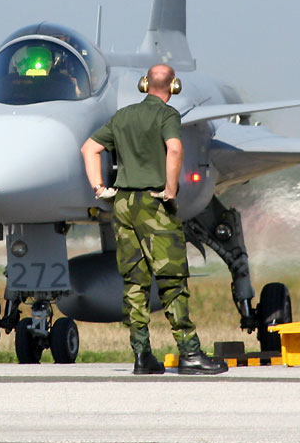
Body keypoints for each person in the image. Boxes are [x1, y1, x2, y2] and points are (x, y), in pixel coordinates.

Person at [80, 64, 228, 376]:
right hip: (153, 203)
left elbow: (89, 148)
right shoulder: (167, 116)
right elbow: (174, 149)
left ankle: (142, 356)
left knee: (134, 280)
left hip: (122, 204)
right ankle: (189, 353)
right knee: (172, 278)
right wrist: (171, 189)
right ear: (173, 87)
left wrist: (99, 188)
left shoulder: (122, 116)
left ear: (144, 84)